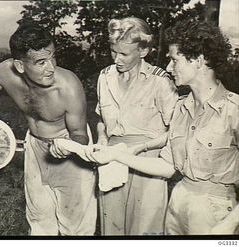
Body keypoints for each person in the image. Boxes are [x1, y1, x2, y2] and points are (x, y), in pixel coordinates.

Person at [87, 18, 239, 235]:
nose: (168, 67)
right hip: (179, 200)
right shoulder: (182, 108)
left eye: (174, 60)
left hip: (215, 207)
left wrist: (230, 224)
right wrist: (117, 156)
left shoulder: (233, 110)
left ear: (198, 60)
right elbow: (168, 167)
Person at [0, 23, 97, 236]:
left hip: (68, 146)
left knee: (76, 227)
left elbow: (80, 134)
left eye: (52, 57)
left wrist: (68, 147)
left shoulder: (68, 86)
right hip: (34, 144)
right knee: (39, 220)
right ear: (20, 65)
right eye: (41, 62)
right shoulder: (5, 72)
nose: (50, 67)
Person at [94, 16, 179, 235]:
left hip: (147, 163)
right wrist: (102, 139)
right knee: (111, 228)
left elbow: (176, 131)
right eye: (113, 51)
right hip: (112, 159)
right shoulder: (105, 77)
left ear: (143, 51)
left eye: (124, 54)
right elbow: (102, 120)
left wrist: (142, 148)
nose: (116, 59)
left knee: (144, 230)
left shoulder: (160, 81)